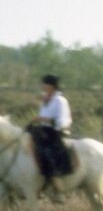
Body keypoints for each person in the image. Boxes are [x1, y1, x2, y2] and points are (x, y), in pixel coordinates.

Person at [30, 74, 73, 202]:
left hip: (56, 132)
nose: (43, 86)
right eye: (43, 83)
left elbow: (63, 121)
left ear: (52, 86)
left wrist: (42, 119)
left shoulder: (60, 101)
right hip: (44, 130)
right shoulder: (45, 99)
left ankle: (58, 188)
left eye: (45, 84)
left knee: (46, 153)